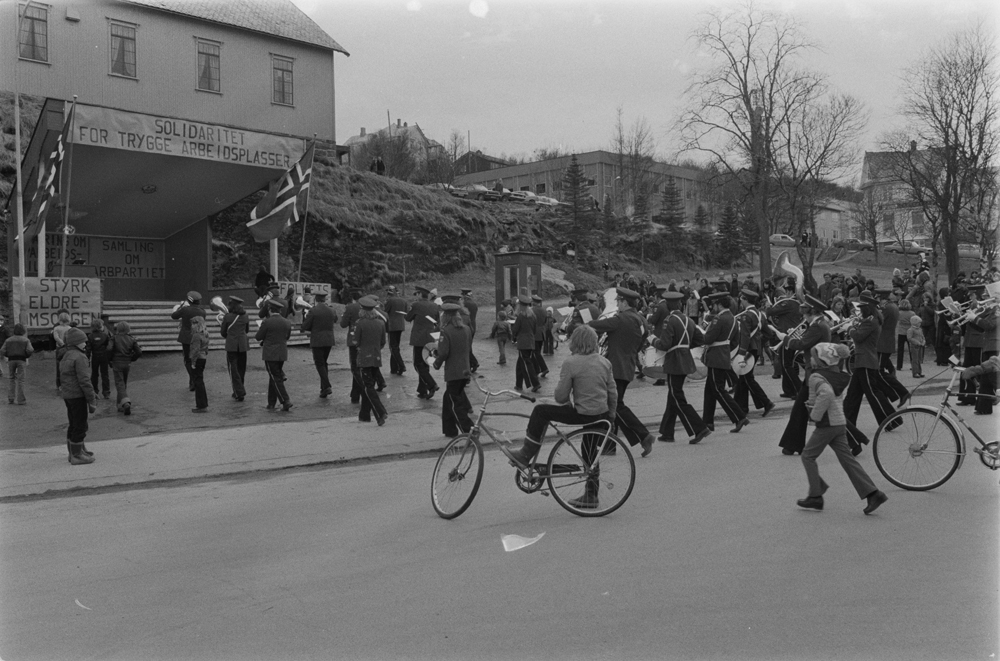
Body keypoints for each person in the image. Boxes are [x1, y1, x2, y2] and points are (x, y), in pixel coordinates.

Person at [499, 325, 617, 509]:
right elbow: (612, 392)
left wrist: (567, 396)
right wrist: (611, 416)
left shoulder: (571, 363)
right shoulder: (604, 362)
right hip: (601, 415)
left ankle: (525, 454)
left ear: (576, 342)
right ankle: (591, 495)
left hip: (582, 414)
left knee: (541, 411)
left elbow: (560, 397)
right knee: (591, 454)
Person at [796, 343, 889, 515]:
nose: (810, 358)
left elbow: (826, 394)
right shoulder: (835, 375)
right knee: (848, 460)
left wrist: (814, 415)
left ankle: (816, 495)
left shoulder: (816, 377)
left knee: (808, 456)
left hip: (827, 424)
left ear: (821, 361)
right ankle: (873, 493)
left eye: (813, 356)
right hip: (839, 423)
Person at [589, 287, 656, 457]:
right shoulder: (641, 320)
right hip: (627, 367)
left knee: (615, 406)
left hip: (615, 369)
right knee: (611, 407)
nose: (617, 304)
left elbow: (597, 325)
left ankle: (644, 436)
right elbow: (641, 343)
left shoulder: (620, 319)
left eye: (618, 301)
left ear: (624, 302)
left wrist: (581, 324)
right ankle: (609, 445)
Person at [653, 291, 711, 444]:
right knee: (673, 395)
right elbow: (701, 339)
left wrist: (653, 340)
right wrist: (684, 346)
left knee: (677, 396)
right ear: (679, 304)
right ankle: (667, 432)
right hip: (685, 359)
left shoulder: (669, 320)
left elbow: (664, 344)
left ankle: (699, 428)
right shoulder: (688, 320)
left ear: (667, 305)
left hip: (674, 362)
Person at [844, 291, 897, 437]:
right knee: (852, 395)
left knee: (873, 394)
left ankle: (891, 420)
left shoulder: (870, 321)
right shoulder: (871, 320)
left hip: (866, 361)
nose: (859, 310)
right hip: (864, 361)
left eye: (861, 308)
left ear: (867, 308)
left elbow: (859, 336)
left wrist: (849, 327)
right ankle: (846, 423)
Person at [700, 293, 749, 434]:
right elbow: (733, 340)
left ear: (719, 305)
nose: (713, 307)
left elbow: (708, 338)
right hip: (723, 354)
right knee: (710, 391)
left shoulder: (719, 319)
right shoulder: (733, 318)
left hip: (716, 357)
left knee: (717, 390)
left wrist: (698, 336)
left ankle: (739, 417)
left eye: (714, 304)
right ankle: (707, 422)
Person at [432, 302, 473, 437]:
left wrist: (436, 363)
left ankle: (469, 430)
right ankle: (449, 430)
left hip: (454, 371)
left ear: (446, 316)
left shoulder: (446, 331)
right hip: (465, 368)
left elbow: (444, 353)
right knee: (447, 399)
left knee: (455, 404)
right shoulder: (466, 329)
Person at [734, 289, 776, 419]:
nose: (741, 300)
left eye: (742, 298)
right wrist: (758, 341)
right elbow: (768, 334)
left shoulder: (746, 315)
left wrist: (741, 353)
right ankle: (742, 407)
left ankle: (766, 402)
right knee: (743, 379)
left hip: (747, 350)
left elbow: (745, 336)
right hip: (755, 349)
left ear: (745, 300)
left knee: (747, 378)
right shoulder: (760, 314)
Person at [60, 327, 97, 465]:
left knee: (73, 423)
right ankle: (77, 455)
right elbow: (84, 380)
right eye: (83, 341)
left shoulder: (66, 355)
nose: (86, 344)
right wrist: (92, 399)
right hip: (78, 395)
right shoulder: (80, 357)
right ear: (76, 342)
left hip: (68, 395)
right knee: (81, 425)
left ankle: (75, 450)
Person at [355, 296, 388, 425]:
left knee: (368, 387)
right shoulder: (380, 323)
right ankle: (364, 415)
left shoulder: (360, 323)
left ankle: (380, 412)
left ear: (362, 310)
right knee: (369, 385)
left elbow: (356, 341)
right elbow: (383, 342)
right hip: (376, 356)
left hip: (364, 357)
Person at [256, 298, 293, 411]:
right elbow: (287, 337)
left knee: (275, 377)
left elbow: (258, 337)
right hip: (282, 352)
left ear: (270, 310)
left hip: (270, 353)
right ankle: (271, 403)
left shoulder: (267, 322)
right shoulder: (287, 322)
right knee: (274, 377)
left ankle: (285, 400)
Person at [405, 286, 441, 399]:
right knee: (425, 363)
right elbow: (437, 322)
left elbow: (407, 317)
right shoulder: (434, 305)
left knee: (417, 363)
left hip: (419, 338)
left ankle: (431, 385)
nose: (416, 295)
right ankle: (422, 390)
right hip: (430, 338)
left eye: (417, 293)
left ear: (420, 294)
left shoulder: (416, 305)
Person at [301, 292, 338, 398]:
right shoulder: (331, 310)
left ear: (316, 300)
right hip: (329, 340)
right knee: (324, 363)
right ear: (325, 299)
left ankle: (327, 386)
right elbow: (335, 320)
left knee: (319, 363)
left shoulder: (313, 310)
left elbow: (305, 326)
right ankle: (323, 389)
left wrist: (306, 319)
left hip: (317, 340)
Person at [965, 296, 998, 415]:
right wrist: (971, 319)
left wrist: (976, 318)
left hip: (995, 346)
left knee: (991, 378)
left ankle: (984, 407)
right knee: (985, 379)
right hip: (988, 346)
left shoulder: (997, 310)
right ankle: (983, 408)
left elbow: (990, 325)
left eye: (988, 297)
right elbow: (982, 329)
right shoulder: (991, 310)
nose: (985, 299)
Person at [876, 293, 910, 406]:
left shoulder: (886, 308)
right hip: (885, 341)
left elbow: (879, 322)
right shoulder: (893, 306)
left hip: (883, 342)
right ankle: (888, 393)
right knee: (884, 369)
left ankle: (902, 392)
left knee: (879, 372)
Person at [170, 291, 207, 392]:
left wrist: (181, 307)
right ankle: (192, 382)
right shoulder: (202, 311)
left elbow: (174, 316)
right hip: (197, 337)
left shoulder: (185, 310)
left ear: (189, 300)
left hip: (186, 338)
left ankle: (194, 380)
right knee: (195, 358)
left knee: (188, 360)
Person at [219, 296, 250, 402]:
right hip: (243, 345)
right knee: (241, 368)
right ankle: (239, 389)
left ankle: (239, 392)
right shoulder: (245, 316)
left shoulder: (227, 317)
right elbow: (247, 330)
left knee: (233, 369)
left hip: (232, 345)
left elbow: (223, 333)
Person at [109, 321, 140, 415]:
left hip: (117, 362)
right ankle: (120, 405)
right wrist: (132, 358)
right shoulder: (132, 339)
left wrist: (110, 359)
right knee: (123, 383)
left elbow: (109, 349)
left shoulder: (114, 338)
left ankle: (125, 403)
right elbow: (139, 351)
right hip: (127, 363)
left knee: (119, 383)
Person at [340, 288, 365, 403]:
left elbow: (343, 324)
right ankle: (355, 394)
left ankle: (363, 392)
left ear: (352, 298)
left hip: (354, 339)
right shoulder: (368, 306)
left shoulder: (350, 308)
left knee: (355, 368)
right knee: (360, 367)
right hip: (366, 340)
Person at [512, 294, 540, 392]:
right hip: (531, 341)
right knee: (520, 364)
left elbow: (515, 329)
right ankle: (518, 384)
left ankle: (535, 383)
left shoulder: (520, 316)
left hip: (523, 343)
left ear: (520, 306)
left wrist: (513, 337)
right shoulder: (533, 315)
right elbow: (534, 329)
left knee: (527, 363)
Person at [2, 323, 34, 405]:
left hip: (11, 360)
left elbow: (2, 350)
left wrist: (8, 355)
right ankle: (21, 400)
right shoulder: (25, 340)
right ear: (23, 331)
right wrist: (26, 356)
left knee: (11, 379)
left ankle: (11, 398)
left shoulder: (8, 340)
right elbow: (30, 350)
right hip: (21, 360)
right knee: (21, 380)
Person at [384, 285, 409, 375]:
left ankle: (401, 366)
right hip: (400, 325)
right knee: (396, 346)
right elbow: (406, 313)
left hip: (392, 325)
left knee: (393, 347)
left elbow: (385, 311)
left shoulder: (390, 300)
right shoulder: (404, 301)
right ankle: (394, 368)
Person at [86, 318, 113, 400]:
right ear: (100, 326)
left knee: (94, 374)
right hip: (104, 356)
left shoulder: (90, 336)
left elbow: (88, 349)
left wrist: (87, 359)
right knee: (105, 374)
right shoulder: (105, 335)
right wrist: (110, 358)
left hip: (95, 357)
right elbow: (109, 347)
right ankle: (106, 392)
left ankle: (95, 391)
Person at [188, 315, 210, 412]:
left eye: (193, 323)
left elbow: (195, 350)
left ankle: (201, 405)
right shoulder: (205, 334)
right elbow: (206, 349)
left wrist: (193, 363)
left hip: (197, 359)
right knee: (200, 381)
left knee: (198, 382)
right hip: (203, 358)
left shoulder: (196, 336)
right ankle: (203, 404)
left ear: (197, 324)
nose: (192, 326)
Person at [52, 310, 73, 390]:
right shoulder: (70, 328)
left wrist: (61, 343)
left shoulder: (56, 328)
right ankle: (67, 382)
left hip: (59, 347)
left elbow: (56, 337)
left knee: (59, 365)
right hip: (68, 347)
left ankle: (59, 384)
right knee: (68, 365)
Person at [461, 288, 480, 373]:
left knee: (465, 347)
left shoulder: (464, 304)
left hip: (466, 326)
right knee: (468, 346)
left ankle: (473, 363)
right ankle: (471, 363)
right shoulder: (474, 304)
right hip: (473, 325)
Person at [531, 294, 549, 377]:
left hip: (534, 333)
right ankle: (537, 369)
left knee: (535, 353)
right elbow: (545, 321)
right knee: (537, 352)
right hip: (541, 333)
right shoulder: (544, 310)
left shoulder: (531, 310)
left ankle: (543, 368)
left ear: (534, 302)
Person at [896, 299, 913, 371]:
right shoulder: (912, 313)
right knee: (911, 350)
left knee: (900, 350)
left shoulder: (898, 313)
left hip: (901, 332)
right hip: (909, 332)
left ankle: (899, 365)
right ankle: (913, 364)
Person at [907, 314, 926, 378]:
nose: (920, 324)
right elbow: (909, 338)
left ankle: (919, 372)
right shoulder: (911, 330)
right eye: (918, 323)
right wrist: (917, 342)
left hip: (920, 346)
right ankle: (915, 373)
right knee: (915, 360)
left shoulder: (920, 329)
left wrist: (923, 341)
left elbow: (922, 336)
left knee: (919, 360)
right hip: (914, 346)